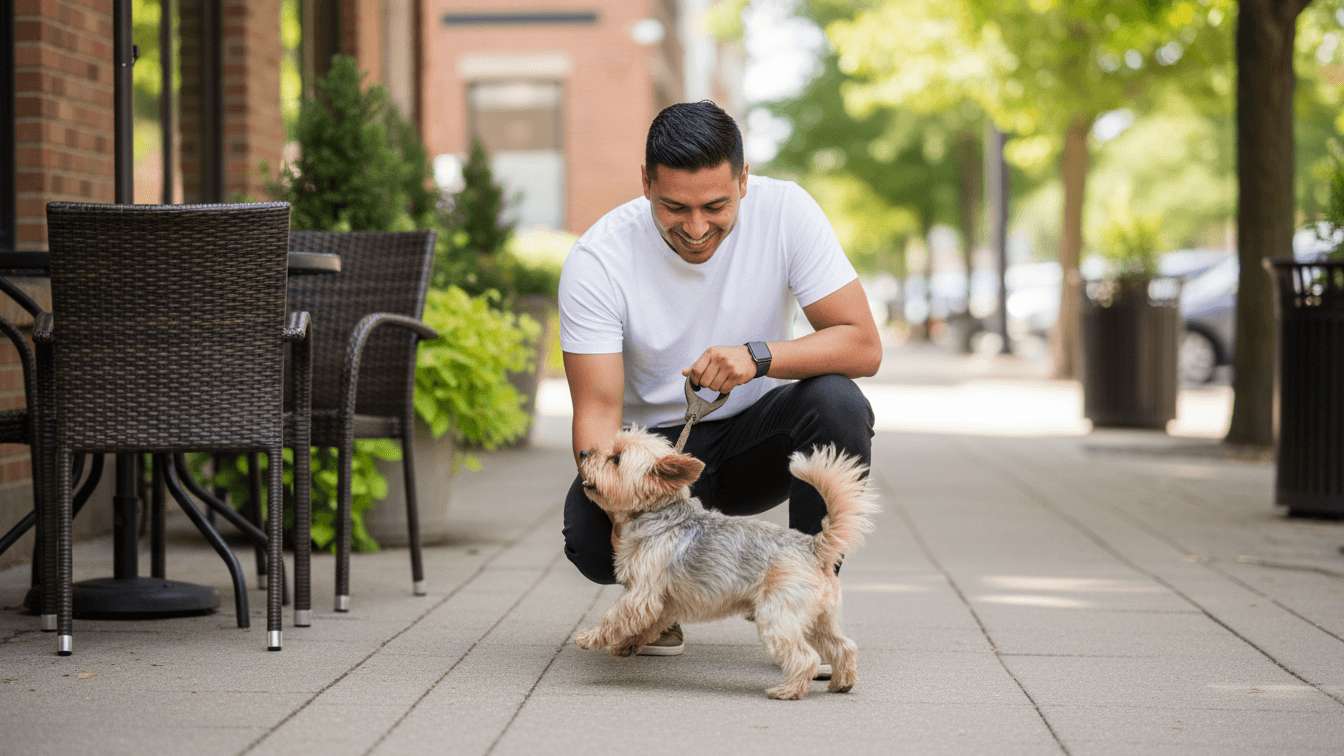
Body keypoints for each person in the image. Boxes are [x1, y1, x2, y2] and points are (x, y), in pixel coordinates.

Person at [558, 100, 881, 656]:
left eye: (716, 205)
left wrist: (759, 357)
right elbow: (597, 410)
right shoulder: (599, 259)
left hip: (759, 440)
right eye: (674, 208)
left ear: (744, 180)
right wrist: (619, 513)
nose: (696, 227)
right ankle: (660, 604)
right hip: (659, 460)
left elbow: (862, 343)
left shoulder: (788, 212)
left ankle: (806, 595)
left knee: (838, 401)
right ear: (645, 183)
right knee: (588, 540)